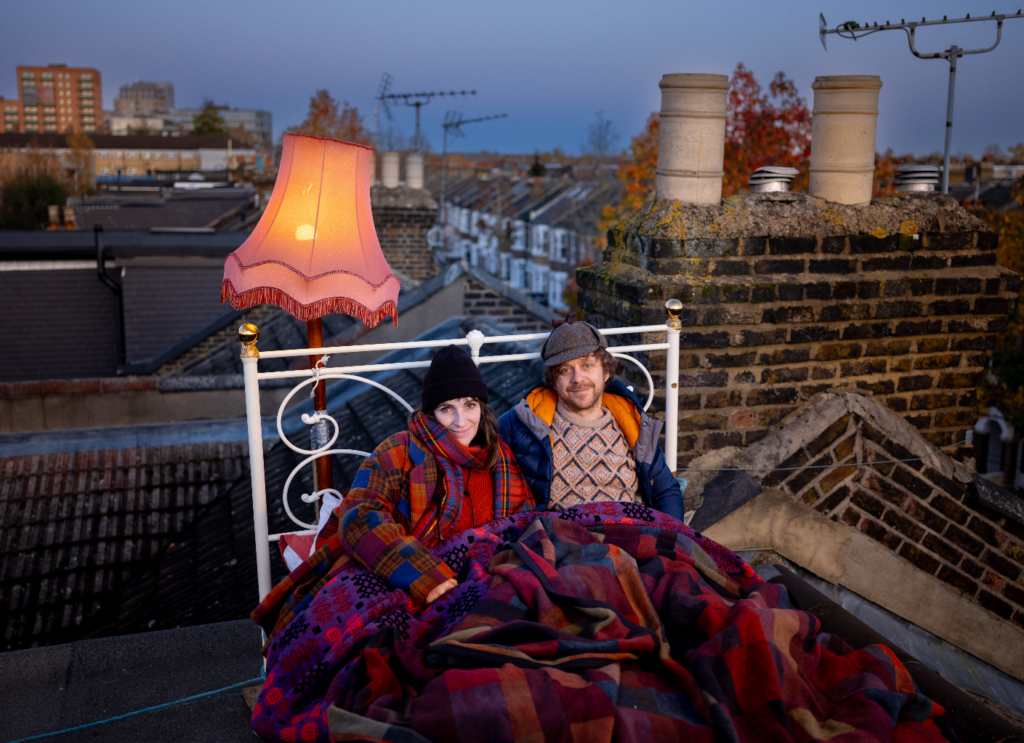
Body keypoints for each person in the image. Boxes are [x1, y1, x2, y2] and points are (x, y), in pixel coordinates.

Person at [336, 345, 534, 605]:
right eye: (446, 408)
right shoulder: (400, 450)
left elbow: (524, 520)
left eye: (470, 405)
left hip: (491, 578)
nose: (460, 421)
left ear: (481, 407)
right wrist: (423, 575)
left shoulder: (500, 456)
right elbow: (358, 516)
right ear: (431, 413)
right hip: (420, 582)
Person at [498, 319, 684, 520]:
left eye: (587, 365)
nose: (577, 378)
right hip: (560, 534)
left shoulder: (634, 423)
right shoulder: (521, 423)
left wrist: (671, 534)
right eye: (565, 370)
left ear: (606, 372)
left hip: (631, 531)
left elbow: (666, 491)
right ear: (553, 381)